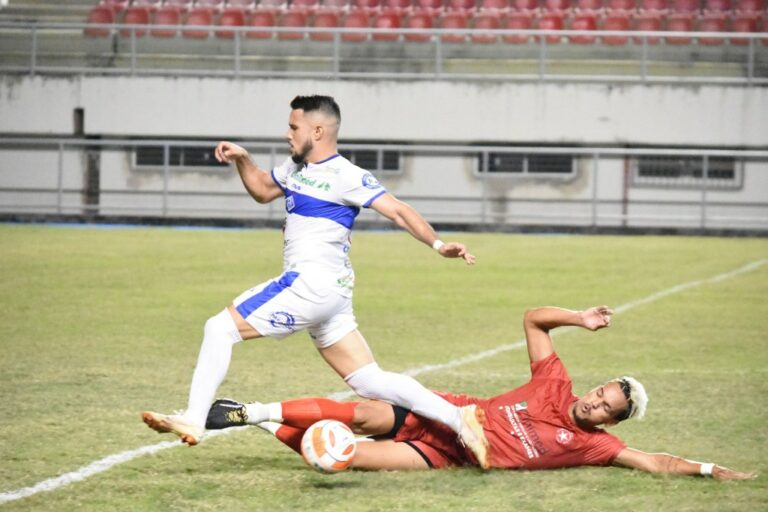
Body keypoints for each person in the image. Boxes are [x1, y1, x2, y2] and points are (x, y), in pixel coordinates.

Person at [142, 94, 489, 467]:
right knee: (370, 381)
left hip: (310, 285)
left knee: (218, 328)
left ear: (318, 130)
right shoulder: (295, 170)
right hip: (331, 296)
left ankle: (194, 418)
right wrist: (243, 159)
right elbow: (261, 190)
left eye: (294, 127)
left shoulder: (347, 175)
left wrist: (437, 244)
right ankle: (459, 420)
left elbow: (399, 211)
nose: (287, 134)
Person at [205, 305, 756, 480]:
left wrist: (709, 470)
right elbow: (534, 321)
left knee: (341, 457)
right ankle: (253, 408)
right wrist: (579, 319)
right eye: (601, 392)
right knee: (365, 414)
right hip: (443, 415)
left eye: (605, 408)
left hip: (444, 458)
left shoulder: (596, 448)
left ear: (609, 423)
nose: (594, 402)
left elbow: (655, 463)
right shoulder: (554, 382)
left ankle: (251, 419)